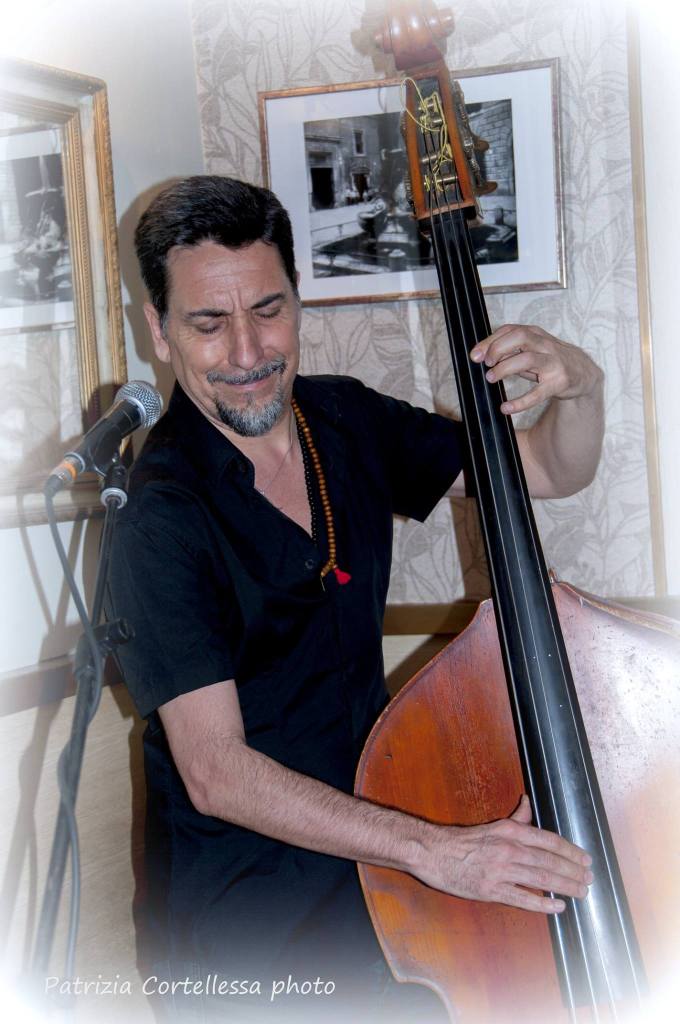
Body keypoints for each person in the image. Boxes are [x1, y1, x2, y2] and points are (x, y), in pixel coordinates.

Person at [108, 176, 603, 1023]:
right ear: (159, 330)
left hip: (374, 886)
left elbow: (551, 471)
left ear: (298, 300)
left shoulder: (344, 419)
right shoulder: (157, 512)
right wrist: (437, 851)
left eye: (268, 310)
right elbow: (216, 772)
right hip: (241, 924)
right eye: (208, 323)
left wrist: (583, 384)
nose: (247, 351)